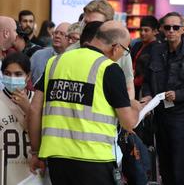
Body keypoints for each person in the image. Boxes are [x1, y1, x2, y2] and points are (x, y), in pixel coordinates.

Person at [28, 21, 141, 185]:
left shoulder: (55, 62)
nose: (123, 55)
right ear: (116, 47)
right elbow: (128, 122)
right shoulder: (109, 68)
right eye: (125, 51)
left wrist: (35, 151)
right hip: (94, 159)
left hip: (56, 158)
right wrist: (136, 107)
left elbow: (34, 109)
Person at [140, 12, 184, 185]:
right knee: (164, 164)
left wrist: (179, 95)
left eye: (175, 27)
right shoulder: (156, 50)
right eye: (167, 27)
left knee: (180, 166)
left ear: (183, 29)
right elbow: (147, 79)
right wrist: (146, 95)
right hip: (159, 114)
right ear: (161, 29)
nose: (171, 31)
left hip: (181, 116)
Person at [70, 0, 135, 99]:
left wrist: (128, 108)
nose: (88, 27)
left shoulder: (121, 52)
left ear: (108, 25)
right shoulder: (71, 50)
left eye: (95, 24)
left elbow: (129, 86)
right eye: (86, 22)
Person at [1, 52, 33, 184]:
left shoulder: (38, 101)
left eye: (18, 74)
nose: (12, 78)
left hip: (31, 173)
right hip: (5, 171)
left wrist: (28, 108)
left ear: (28, 76)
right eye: (7, 74)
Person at [130, 15, 160, 97]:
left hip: (145, 89)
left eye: (146, 30)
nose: (142, 33)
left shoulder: (158, 48)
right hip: (131, 85)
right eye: (141, 30)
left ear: (155, 31)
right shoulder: (137, 45)